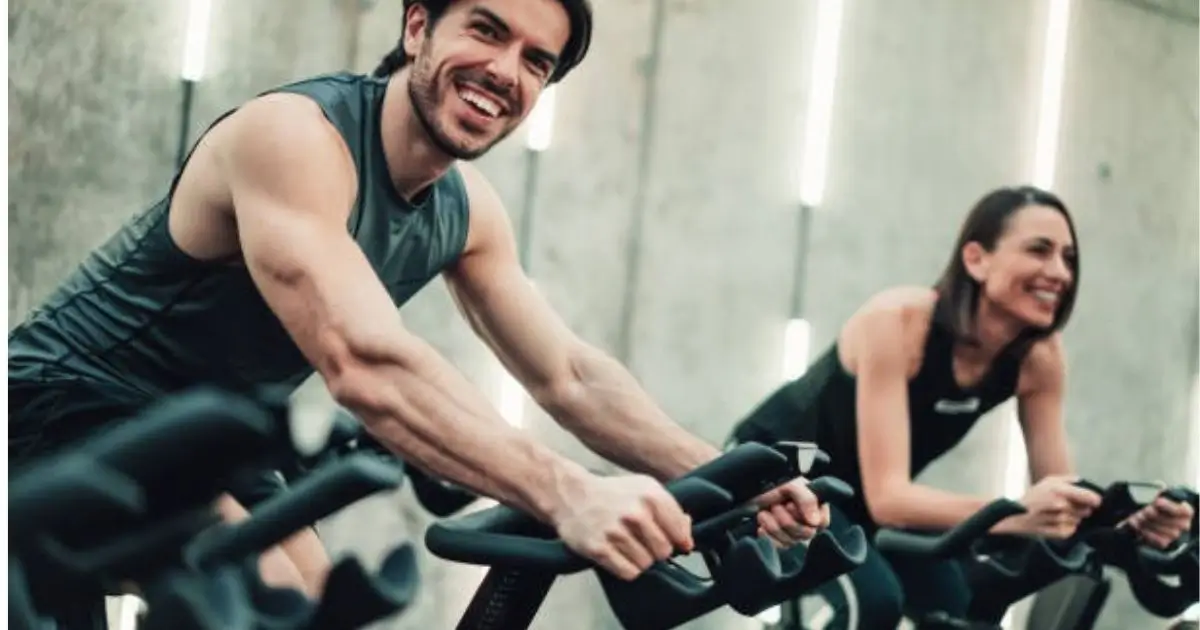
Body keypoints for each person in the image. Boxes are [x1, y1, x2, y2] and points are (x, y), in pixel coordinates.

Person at [8, 0, 829, 627]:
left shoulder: (464, 209)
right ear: (416, 28)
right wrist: (565, 492)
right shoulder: (296, 137)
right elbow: (364, 360)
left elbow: (570, 377)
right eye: (486, 30)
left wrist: (733, 485)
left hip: (212, 440)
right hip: (64, 411)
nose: (506, 70)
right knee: (259, 601)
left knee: (319, 607)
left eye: (536, 62)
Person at [727, 186, 1196, 628]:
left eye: (1068, 258)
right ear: (976, 259)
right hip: (775, 477)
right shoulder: (896, 322)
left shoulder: (1040, 357)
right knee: (873, 603)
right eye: (1039, 250)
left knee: (959, 606)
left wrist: (1128, 523)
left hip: (854, 499)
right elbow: (890, 498)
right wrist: (1011, 512)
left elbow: (1057, 494)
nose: (1060, 272)